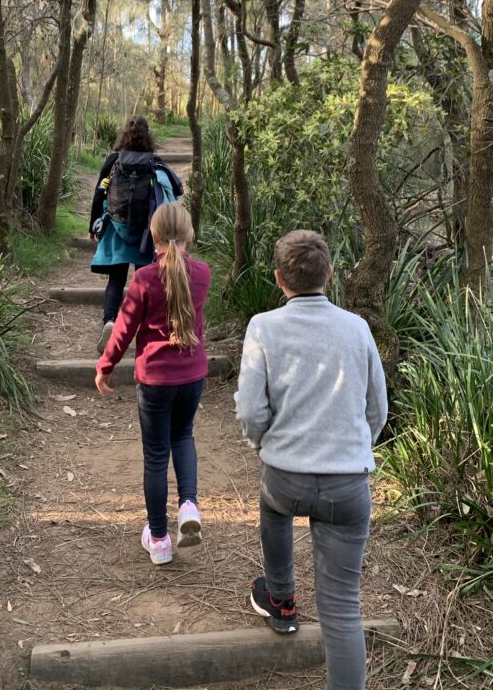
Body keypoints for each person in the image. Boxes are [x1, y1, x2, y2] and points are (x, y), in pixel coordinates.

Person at [235, 230, 387, 690]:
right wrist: (354, 448)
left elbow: (251, 411)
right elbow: (377, 409)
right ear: (331, 274)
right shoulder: (357, 328)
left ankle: (281, 600)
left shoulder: (263, 327)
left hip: (286, 478)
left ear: (278, 279)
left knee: (272, 504)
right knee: (342, 609)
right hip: (348, 485)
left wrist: (263, 446)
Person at [95, 202, 211, 566]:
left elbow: (123, 330)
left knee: (157, 455)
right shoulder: (202, 274)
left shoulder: (145, 279)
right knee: (183, 436)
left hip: (156, 381)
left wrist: (105, 366)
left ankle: (159, 540)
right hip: (192, 376)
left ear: (153, 235)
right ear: (190, 234)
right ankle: (188, 505)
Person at [89, 116, 183, 352]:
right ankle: (144, 329)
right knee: (145, 282)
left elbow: (99, 193)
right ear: (148, 136)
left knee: (116, 280)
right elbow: (172, 194)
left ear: (124, 136)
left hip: (115, 228)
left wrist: (93, 226)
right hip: (146, 234)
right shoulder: (154, 163)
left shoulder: (113, 161)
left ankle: (110, 322)